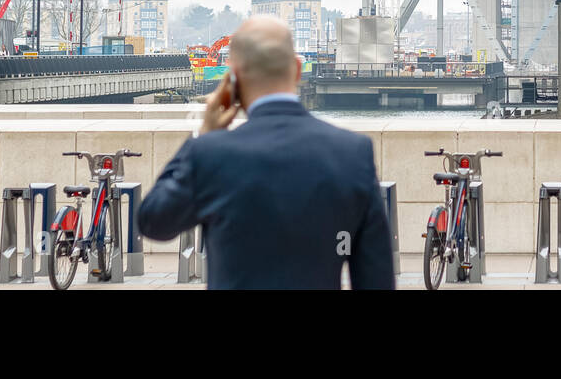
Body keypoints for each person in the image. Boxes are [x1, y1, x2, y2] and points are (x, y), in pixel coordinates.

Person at [139, 16, 394, 289]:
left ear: (233, 79)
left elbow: (154, 221)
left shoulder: (211, 154)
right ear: (297, 69)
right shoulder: (353, 153)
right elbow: (376, 279)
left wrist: (203, 137)